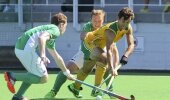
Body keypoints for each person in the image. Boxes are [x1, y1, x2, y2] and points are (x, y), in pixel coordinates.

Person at [44, 9, 114, 98]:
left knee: (108, 70)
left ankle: (111, 93)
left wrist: (112, 65)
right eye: (94, 21)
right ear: (91, 20)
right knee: (67, 70)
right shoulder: (88, 26)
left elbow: (112, 47)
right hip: (84, 53)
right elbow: (83, 36)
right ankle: (53, 91)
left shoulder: (106, 29)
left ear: (103, 20)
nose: (97, 23)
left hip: (100, 54)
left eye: (99, 21)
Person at [4, 12, 75, 100]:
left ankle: (17, 96)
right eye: (66, 26)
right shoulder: (55, 29)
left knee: (33, 73)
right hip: (26, 49)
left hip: (20, 48)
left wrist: (67, 73)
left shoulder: (50, 33)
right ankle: (12, 76)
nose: (65, 28)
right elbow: (41, 38)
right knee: (43, 78)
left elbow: (57, 57)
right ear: (61, 24)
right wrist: (42, 55)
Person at [67, 7, 135, 98]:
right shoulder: (111, 31)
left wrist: (126, 56)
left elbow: (131, 44)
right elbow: (109, 51)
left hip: (99, 46)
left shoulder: (127, 27)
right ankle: (96, 89)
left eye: (129, 22)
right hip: (90, 42)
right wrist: (112, 68)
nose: (127, 25)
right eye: (126, 22)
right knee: (104, 59)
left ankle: (75, 87)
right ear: (120, 19)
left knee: (87, 68)